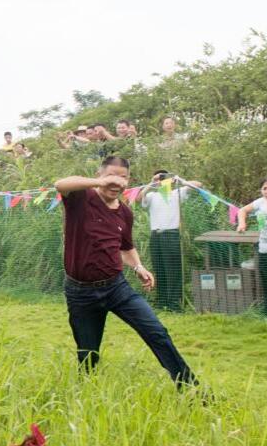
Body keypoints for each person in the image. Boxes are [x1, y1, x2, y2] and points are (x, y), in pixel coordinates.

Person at [55, 157, 198, 388]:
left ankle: (190, 388)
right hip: (80, 293)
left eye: (122, 178)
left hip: (116, 287)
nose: (116, 182)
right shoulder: (82, 198)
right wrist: (98, 182)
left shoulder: (124, 213)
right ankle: (87, 394)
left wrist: (139, 266)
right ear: (99, 174)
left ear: (128, 181)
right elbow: (61, 184)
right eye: (111, 175)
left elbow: (126, 247)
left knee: (157, 333)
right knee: (88, 354)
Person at [139, 170, 203, 311]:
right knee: (159, 269)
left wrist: (179, 180)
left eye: (165, 178)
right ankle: (162, 303)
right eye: (160, 178)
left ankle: (175, 305)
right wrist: (152, 182)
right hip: (155, 235)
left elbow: (198, 184)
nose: (163, 181)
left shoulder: (176, 194)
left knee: (173, 270)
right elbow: (139, 197)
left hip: (171, 234)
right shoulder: (151, 195)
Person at [236, 176, 267, 317]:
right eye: (265, 188)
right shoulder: (260, 203)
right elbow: (242, 211)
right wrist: (242, 223)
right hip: (264, 249)